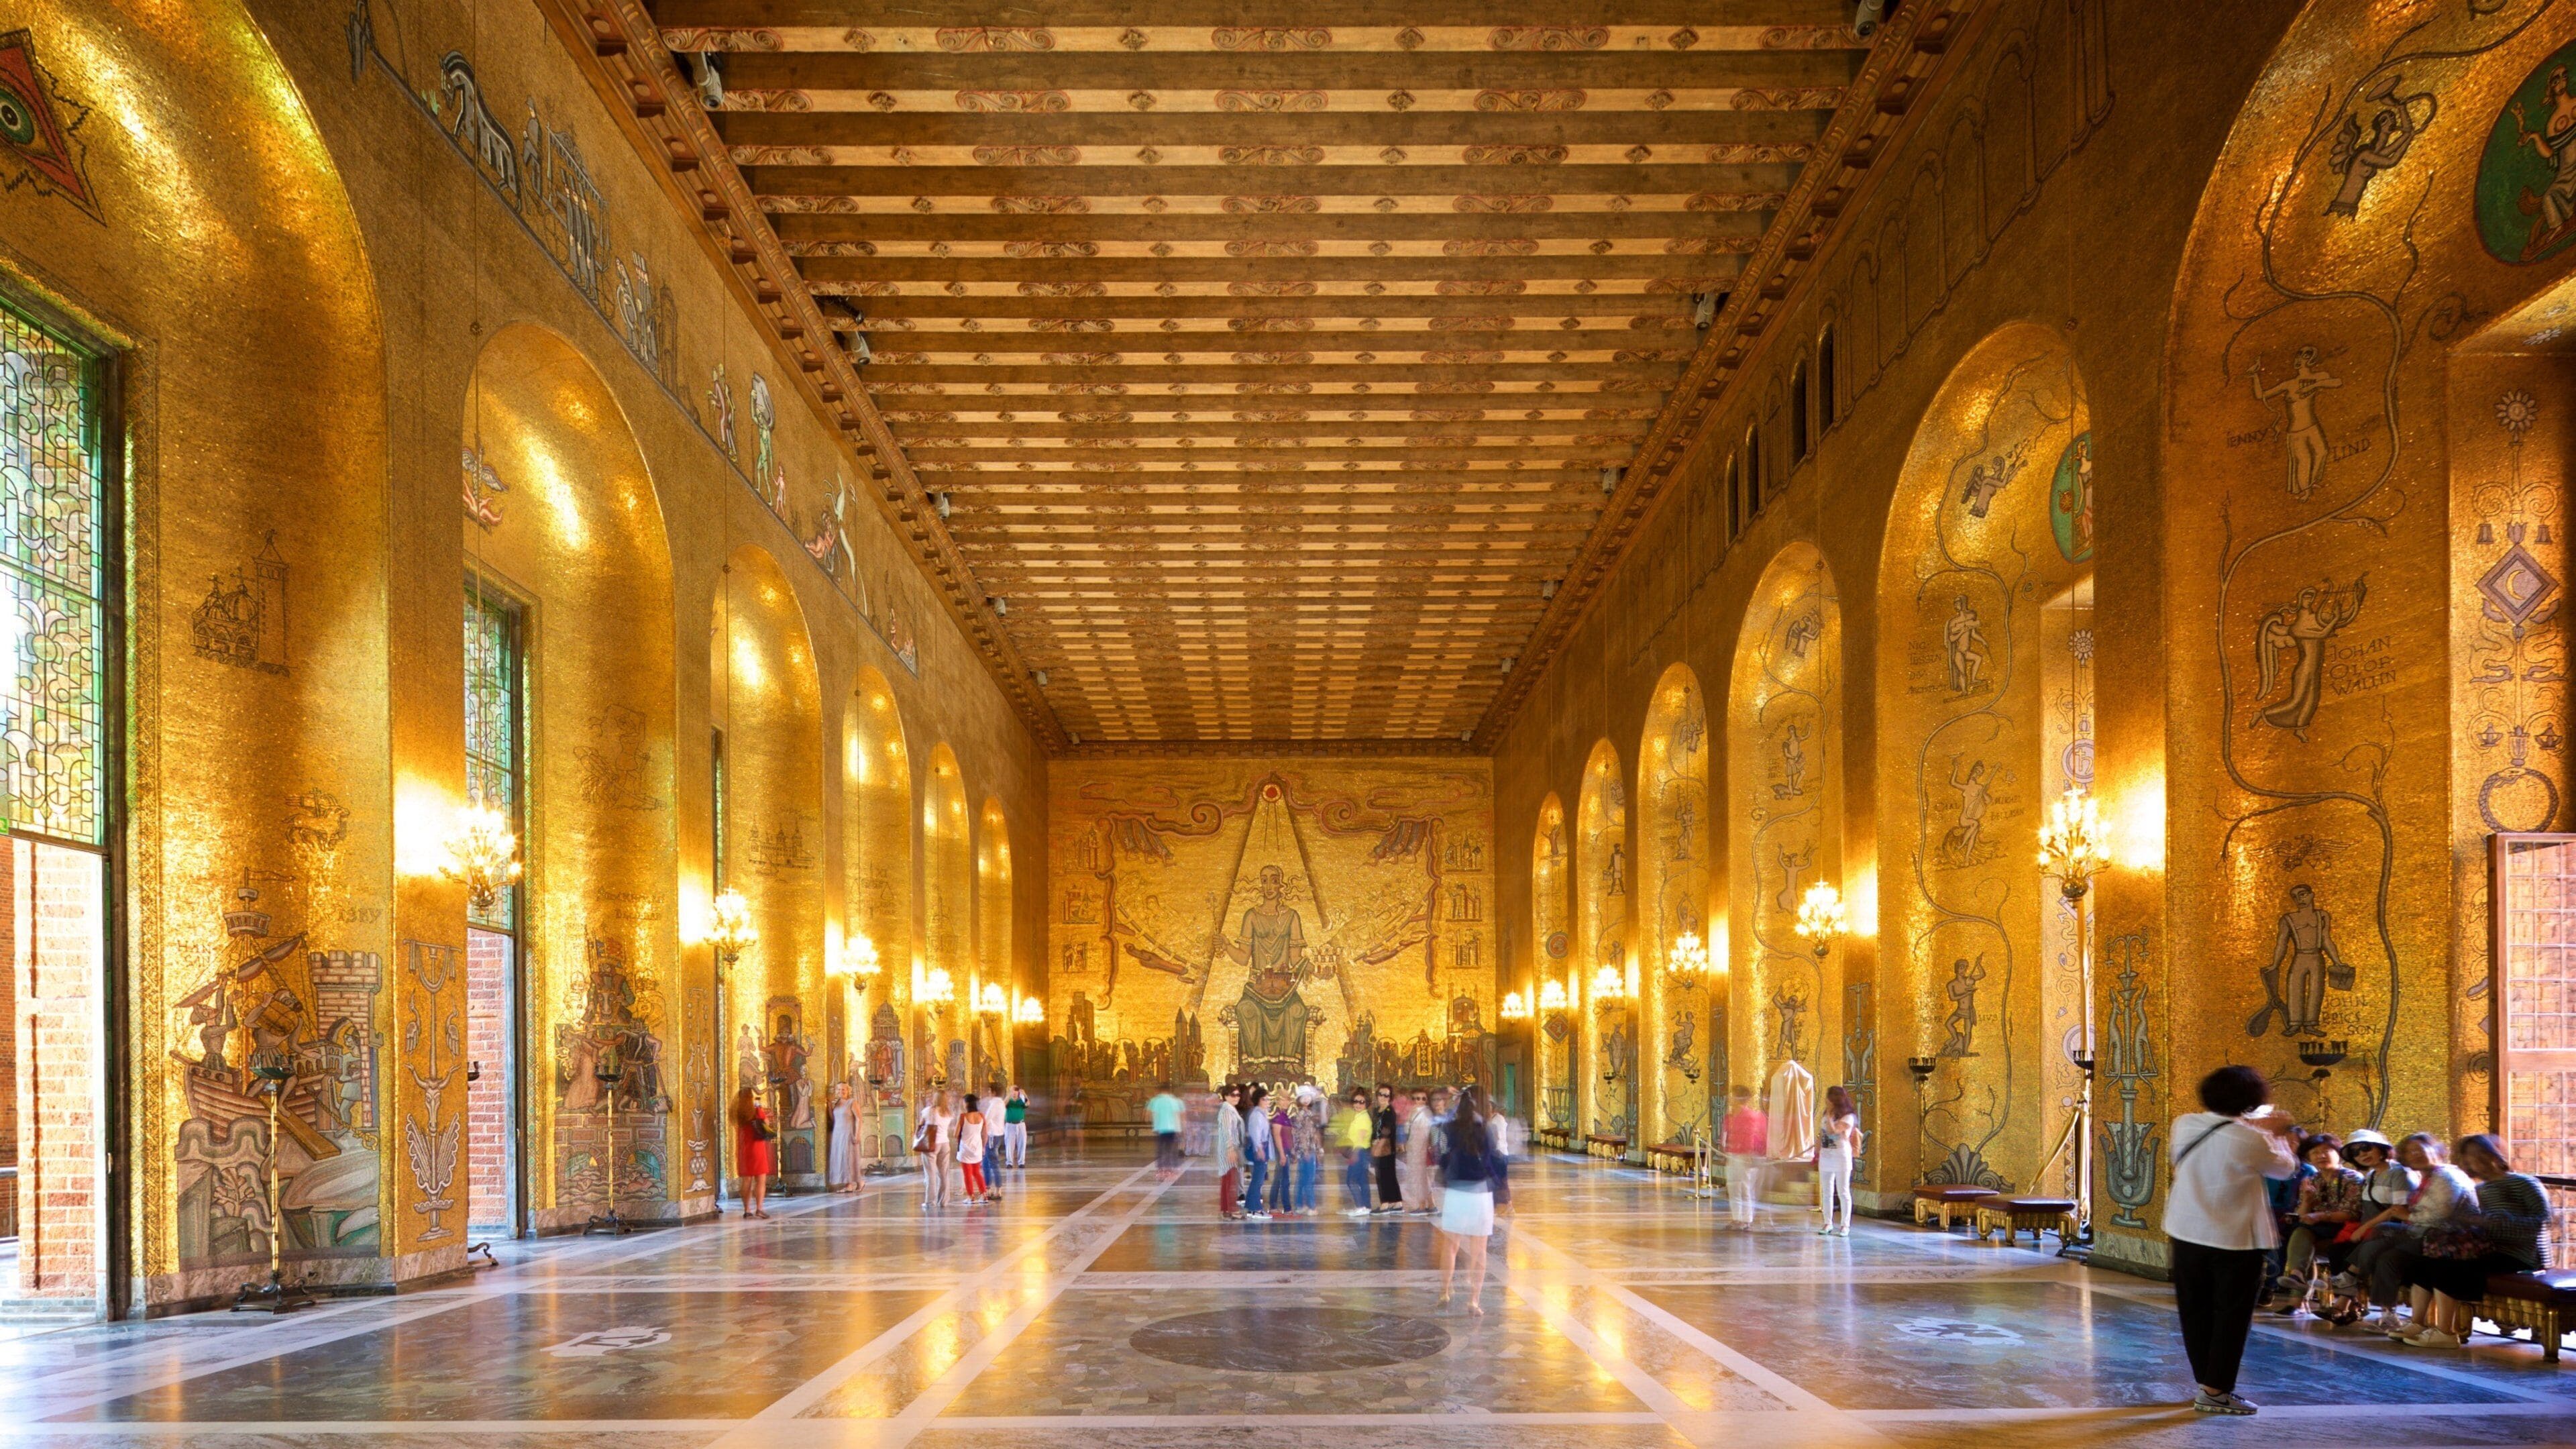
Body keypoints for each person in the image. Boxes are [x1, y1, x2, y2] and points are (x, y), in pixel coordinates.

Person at [2165, 1065, 2300, 1416]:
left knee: (2195, 1311)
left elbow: (2228, 1142)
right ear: (2252, 1102)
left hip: (2187, 1232)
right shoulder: (2251, 1138)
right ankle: (2215, 1390)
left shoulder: (2184, 1124)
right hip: (2234, 1239)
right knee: (2231, 1316)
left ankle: (2206, 1384)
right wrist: (2281, 1136)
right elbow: (2284, 1168)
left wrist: (2257, 1131)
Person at [2394, 1134, 2555, 1348]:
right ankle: (2418, 1324)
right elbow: (2472, 1223)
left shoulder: (2524, 1182)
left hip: (2522, 1256)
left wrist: (2492, 1222)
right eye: (2468, 1158)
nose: (2474, 1161)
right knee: (2424, 1263)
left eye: (2479, 1155)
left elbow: (2544, 1219)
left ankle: (2446, 1333)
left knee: (2447, 1266)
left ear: (2494, 1155)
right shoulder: (2479, 1189)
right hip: (2487, 1250)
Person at [2357, 1133, 2475, 1334]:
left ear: (2436, 1149)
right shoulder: (2428, 1177)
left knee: (2387, 1253)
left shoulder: (2448, 1176)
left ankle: (2354, 1282)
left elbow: (2441, 1214)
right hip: (2428, 1233)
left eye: (2420, 1149)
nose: (2416, 1155)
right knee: (2381, 1240)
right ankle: (2410, 1320)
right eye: (2410, 1152)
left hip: (2451, 1238)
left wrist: (2407, 1217)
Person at [2331, 1128, 2424, 1330]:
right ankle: (2380, 1312)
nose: (2362, 1154)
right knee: (2341, 1248)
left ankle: (2349, 1278)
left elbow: (2398, 1210)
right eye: (2356, 1152)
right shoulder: (2372, 1175)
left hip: (2398, 1231)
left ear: (2381, 1148)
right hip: (2375, 1232)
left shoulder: (2398, 1172)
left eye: (2366, 1148)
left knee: (2379, 1255)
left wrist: (2365, 1227)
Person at [1435, 1084, 1509, 1316]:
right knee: (1480, 1250)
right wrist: (1500, 1185)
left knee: (1451, 1246)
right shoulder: (1486, 1128)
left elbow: (1442, 1155)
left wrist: (1449, 1174)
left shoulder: (1448, 1127)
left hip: (1457, 1191)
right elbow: (1491, 1160)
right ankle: (1474, 1301)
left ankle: (1445, 1292)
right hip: (1480, 1193)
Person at [2276, 1134, 2363, 1315]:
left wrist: (2320, 1215)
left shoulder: (2352, 1177)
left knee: (2302, 1233)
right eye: (2315, 1153)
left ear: (2338, 1154)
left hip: (2345, 1232)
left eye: (2326, 1151)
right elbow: (2302, 1215)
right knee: (2300, 1231)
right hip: (2317, 1230)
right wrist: (2307, 1201)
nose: (2320, 1156)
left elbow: (2352, 1213)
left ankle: (2296, 1298)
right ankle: (2297, 1283)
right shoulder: (2313, 1180)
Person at [1815, 1084, 1862, 1237]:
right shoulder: (1826, 1114)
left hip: (1841, 1157)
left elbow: (1834, 1131)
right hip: (1826, 1156)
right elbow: (1823, 1134)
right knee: (1827, 1192)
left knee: (1843, 1191)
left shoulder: (1848, 1116)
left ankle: (1845, 1225)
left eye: (1828, 1098)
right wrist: (1816, 1151)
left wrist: (1829, 1115)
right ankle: (1828, 1223)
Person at [1721, 1085, 1767, 1230]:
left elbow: (1751, 1136)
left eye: (1733, 1095)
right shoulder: (1730, 1116)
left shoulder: (1750, 1116)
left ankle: (1746, 1219)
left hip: (1745, 1157)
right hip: (1732, 1155)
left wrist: (1748, 1154)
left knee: (1745, 1188)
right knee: (1733, 1188)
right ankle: (1736, 1218)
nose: (1731, 1099)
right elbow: (1726, 1135)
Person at [733, 1085, 776, 1220]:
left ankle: (747, 1210)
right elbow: (766, 1123)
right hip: (757, 1147)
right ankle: (759, 1208)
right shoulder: (757, 1110)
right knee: (761, 1179)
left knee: (747, 1180)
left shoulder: (738, 1113)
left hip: (744, 1148)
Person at [1336, 1088, 1375, 1216]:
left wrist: (1354, 1154)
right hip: (1361, 1152)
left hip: (1360, 1152)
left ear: (1366, 1103)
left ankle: (1360, 1206)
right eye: (1356, 1101)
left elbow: (1361, 1138)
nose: (1358, 1104)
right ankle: (1366, 1206)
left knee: (1351, 1180)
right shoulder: (1360, 1116)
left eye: (1361, 1102)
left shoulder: (1363, 1119)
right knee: (1362, 1180)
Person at [917, 1089, 958, 1212]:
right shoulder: (948, 1113)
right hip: (945, 1143)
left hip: (931, 1143)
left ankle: (930, 1202)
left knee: (930, 1174)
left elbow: (920, 1125)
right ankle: (944, 1201)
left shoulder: (928, 1111)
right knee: (944, 1174)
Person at [1241, 1085, 1275, 1220]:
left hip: (1263, 1148)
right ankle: (1255, 1209)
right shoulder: (1256, 1115)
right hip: (1259, 1149)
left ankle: (1251, 1206)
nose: (1267, 1101)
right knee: (1258, 1180)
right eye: (1264, 1099)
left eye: (1268, 1099)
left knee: (1258, 1179)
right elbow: (1255, 1134)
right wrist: (1259, 1149)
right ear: (1258, 1100)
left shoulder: (1261, 1113)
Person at [1291, 1083, 1326, 1216]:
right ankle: (1311, 1206)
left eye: (1308, 1097)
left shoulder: (1308, 1113)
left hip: (1308, 1150)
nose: (1306, 1099)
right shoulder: (1302, 1115)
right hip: (1306, 1151)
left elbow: (1314, 1133)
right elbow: (1302, 1134)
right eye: (1303, 1097)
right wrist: (1306, 1150)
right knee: (1309, 1179)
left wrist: (1318, 1149)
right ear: (1299, 1100)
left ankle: (1300, 1205)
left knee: (1302, 1178)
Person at [1370, 1083, 1403, 1213]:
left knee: (1384, 1176)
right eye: (1381, 1095)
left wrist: (1379, 1145)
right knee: (1387, 1175)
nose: (1383, 1098)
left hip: (1385, 1148)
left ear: (1390, 1097)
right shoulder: (1377, 1111)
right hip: (1378, 1145)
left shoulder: (1389, 1111)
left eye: (1386, 1095)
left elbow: (1387, 1130)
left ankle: (1385, 1203)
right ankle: (1397, 1202)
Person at [1216, 1082, 1246, 1220]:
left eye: (1238, 1095)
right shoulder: (1227, 1110)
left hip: (1231, 1148)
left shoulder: (1229, 1109)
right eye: (1233, 1095)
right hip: (1229, 1149)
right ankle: (1233, 1210)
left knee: (1228, 1180)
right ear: (1226, 1096)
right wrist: (1230, 1149)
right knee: (1231, 1180)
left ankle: (1226, 1209)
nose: (1236, 1097)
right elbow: (1228, 1132)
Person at [827, 1080, 860, 1194]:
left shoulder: (852, 1102)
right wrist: (829, 1107)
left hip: (847, 1132)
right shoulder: (837, 1104)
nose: (841, 1092)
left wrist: (857, 1134)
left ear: (848, 1091)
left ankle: (850, 1185)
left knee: (848, 1158)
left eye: (843, 1089)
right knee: (840, 1158)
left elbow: (859, 1119)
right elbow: (833, 1119)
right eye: (839, 1090)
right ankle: (858, 1182)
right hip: (837, 1134)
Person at [957, 1092, 990, 1203]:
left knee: (967, 1174)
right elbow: (985, 1134)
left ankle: (971, 1196)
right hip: (977, 1147)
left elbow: (955, 1134)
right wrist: (984, 1147)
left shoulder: (963, 1117)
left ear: (967, 1104)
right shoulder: (981, 1116)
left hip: (965, 1148)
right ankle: (984, 1194)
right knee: (976, 1172)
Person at [1148, 1081, 1183, 1182]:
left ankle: (1161, 1169)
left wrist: (1155, 1125)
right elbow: (1177, 1114)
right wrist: (1179, 1128)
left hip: (1160, 1128)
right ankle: (1172, 1168)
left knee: (1161, 1149)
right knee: (1171, 1149)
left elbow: (1153, 1114)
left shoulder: (1156, 1101)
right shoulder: (1174, 1100)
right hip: (1172, 1128)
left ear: (1160, 1090)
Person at [1267, 1089, 1295, 1215]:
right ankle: (1286, 1208)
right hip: (1281, 1151)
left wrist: (1291, 1151)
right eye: (1283, 1099)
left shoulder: (1284, 1115)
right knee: (1283, 1179)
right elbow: (1277, 1135)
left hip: (1286, 1151)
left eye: (1288, 1099)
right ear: (1277, 1100)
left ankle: (1275, 1206)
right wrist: (1283, 1154)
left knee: (1281, 1179)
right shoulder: (1278, 1116)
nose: (1286, 1102)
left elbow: (1288, 1136)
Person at [1002, 1085, 1029, 1169]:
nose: (1014, 1092)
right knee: (1009, 1144)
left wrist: (1024, 1094)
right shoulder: (1008, 1101)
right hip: (1010, 1125)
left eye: (1016, 1090)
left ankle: (1021, 1162)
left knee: (1022, 1143)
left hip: (1021, 1124)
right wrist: (1009, 1094)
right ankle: (1009, 1163)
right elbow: (1003, 1105)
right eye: (1013, 1090)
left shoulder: (1021, 1101)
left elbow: (1027, 1103)